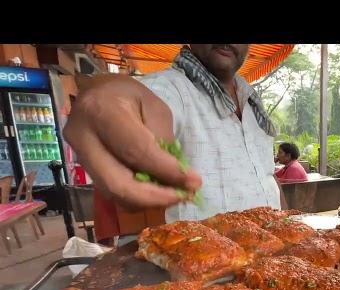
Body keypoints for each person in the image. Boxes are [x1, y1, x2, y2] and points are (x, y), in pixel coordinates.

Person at [63, 44, 284, 225]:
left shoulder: (253, 102)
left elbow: (267, 176)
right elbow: (138, 98)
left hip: (276, 259)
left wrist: (290, 219)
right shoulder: (172, 88)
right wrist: (102, 98)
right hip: (206, 267)